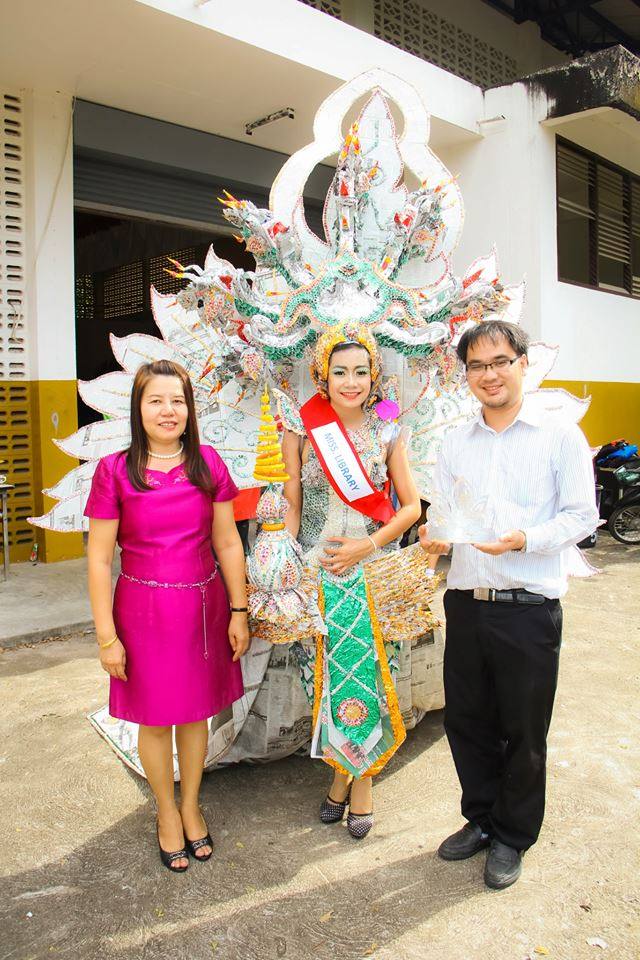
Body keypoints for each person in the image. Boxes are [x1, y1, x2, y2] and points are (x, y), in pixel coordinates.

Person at [419, 319, 598, 889]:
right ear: (465, 374)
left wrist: (524, 539)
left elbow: (581, 516)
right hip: (467, 602)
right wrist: (434, 536)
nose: (489, 374)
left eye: (500, 361)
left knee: (523, 728)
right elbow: (443, 514)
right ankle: (481, 819)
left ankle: (513, 837)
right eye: (477, 365)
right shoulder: (453, 441)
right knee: (467, 721)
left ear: (522, 363)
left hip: (528, 606)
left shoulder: (558, 435)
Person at [85, 359, 250, 873]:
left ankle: (191, 803)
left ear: (189, 408)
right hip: (142, 613)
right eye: (155, 400)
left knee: (195, 713)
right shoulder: (114, 470)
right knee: (155, 720)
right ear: (138, 409)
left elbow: (227, 541)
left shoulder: (208, 465)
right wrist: (106, 637)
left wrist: (239, 609)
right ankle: (165, 811)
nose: (168, 410)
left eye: (177, 400)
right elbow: (97, 558)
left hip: (204, 609)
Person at [281, 326, 421, 839]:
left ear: (374, 375)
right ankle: (343, 775)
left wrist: (369, 545)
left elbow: (409, 507)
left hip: (369, 570)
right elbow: (292, 500)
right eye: (339, 371)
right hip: (316, 570)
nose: (351, 381)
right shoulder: (301, 425)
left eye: (361, 371)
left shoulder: (387, 431)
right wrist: (285, 558)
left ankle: (358, 787)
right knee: (321, 675)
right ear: (322, 374)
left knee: (368, 673)